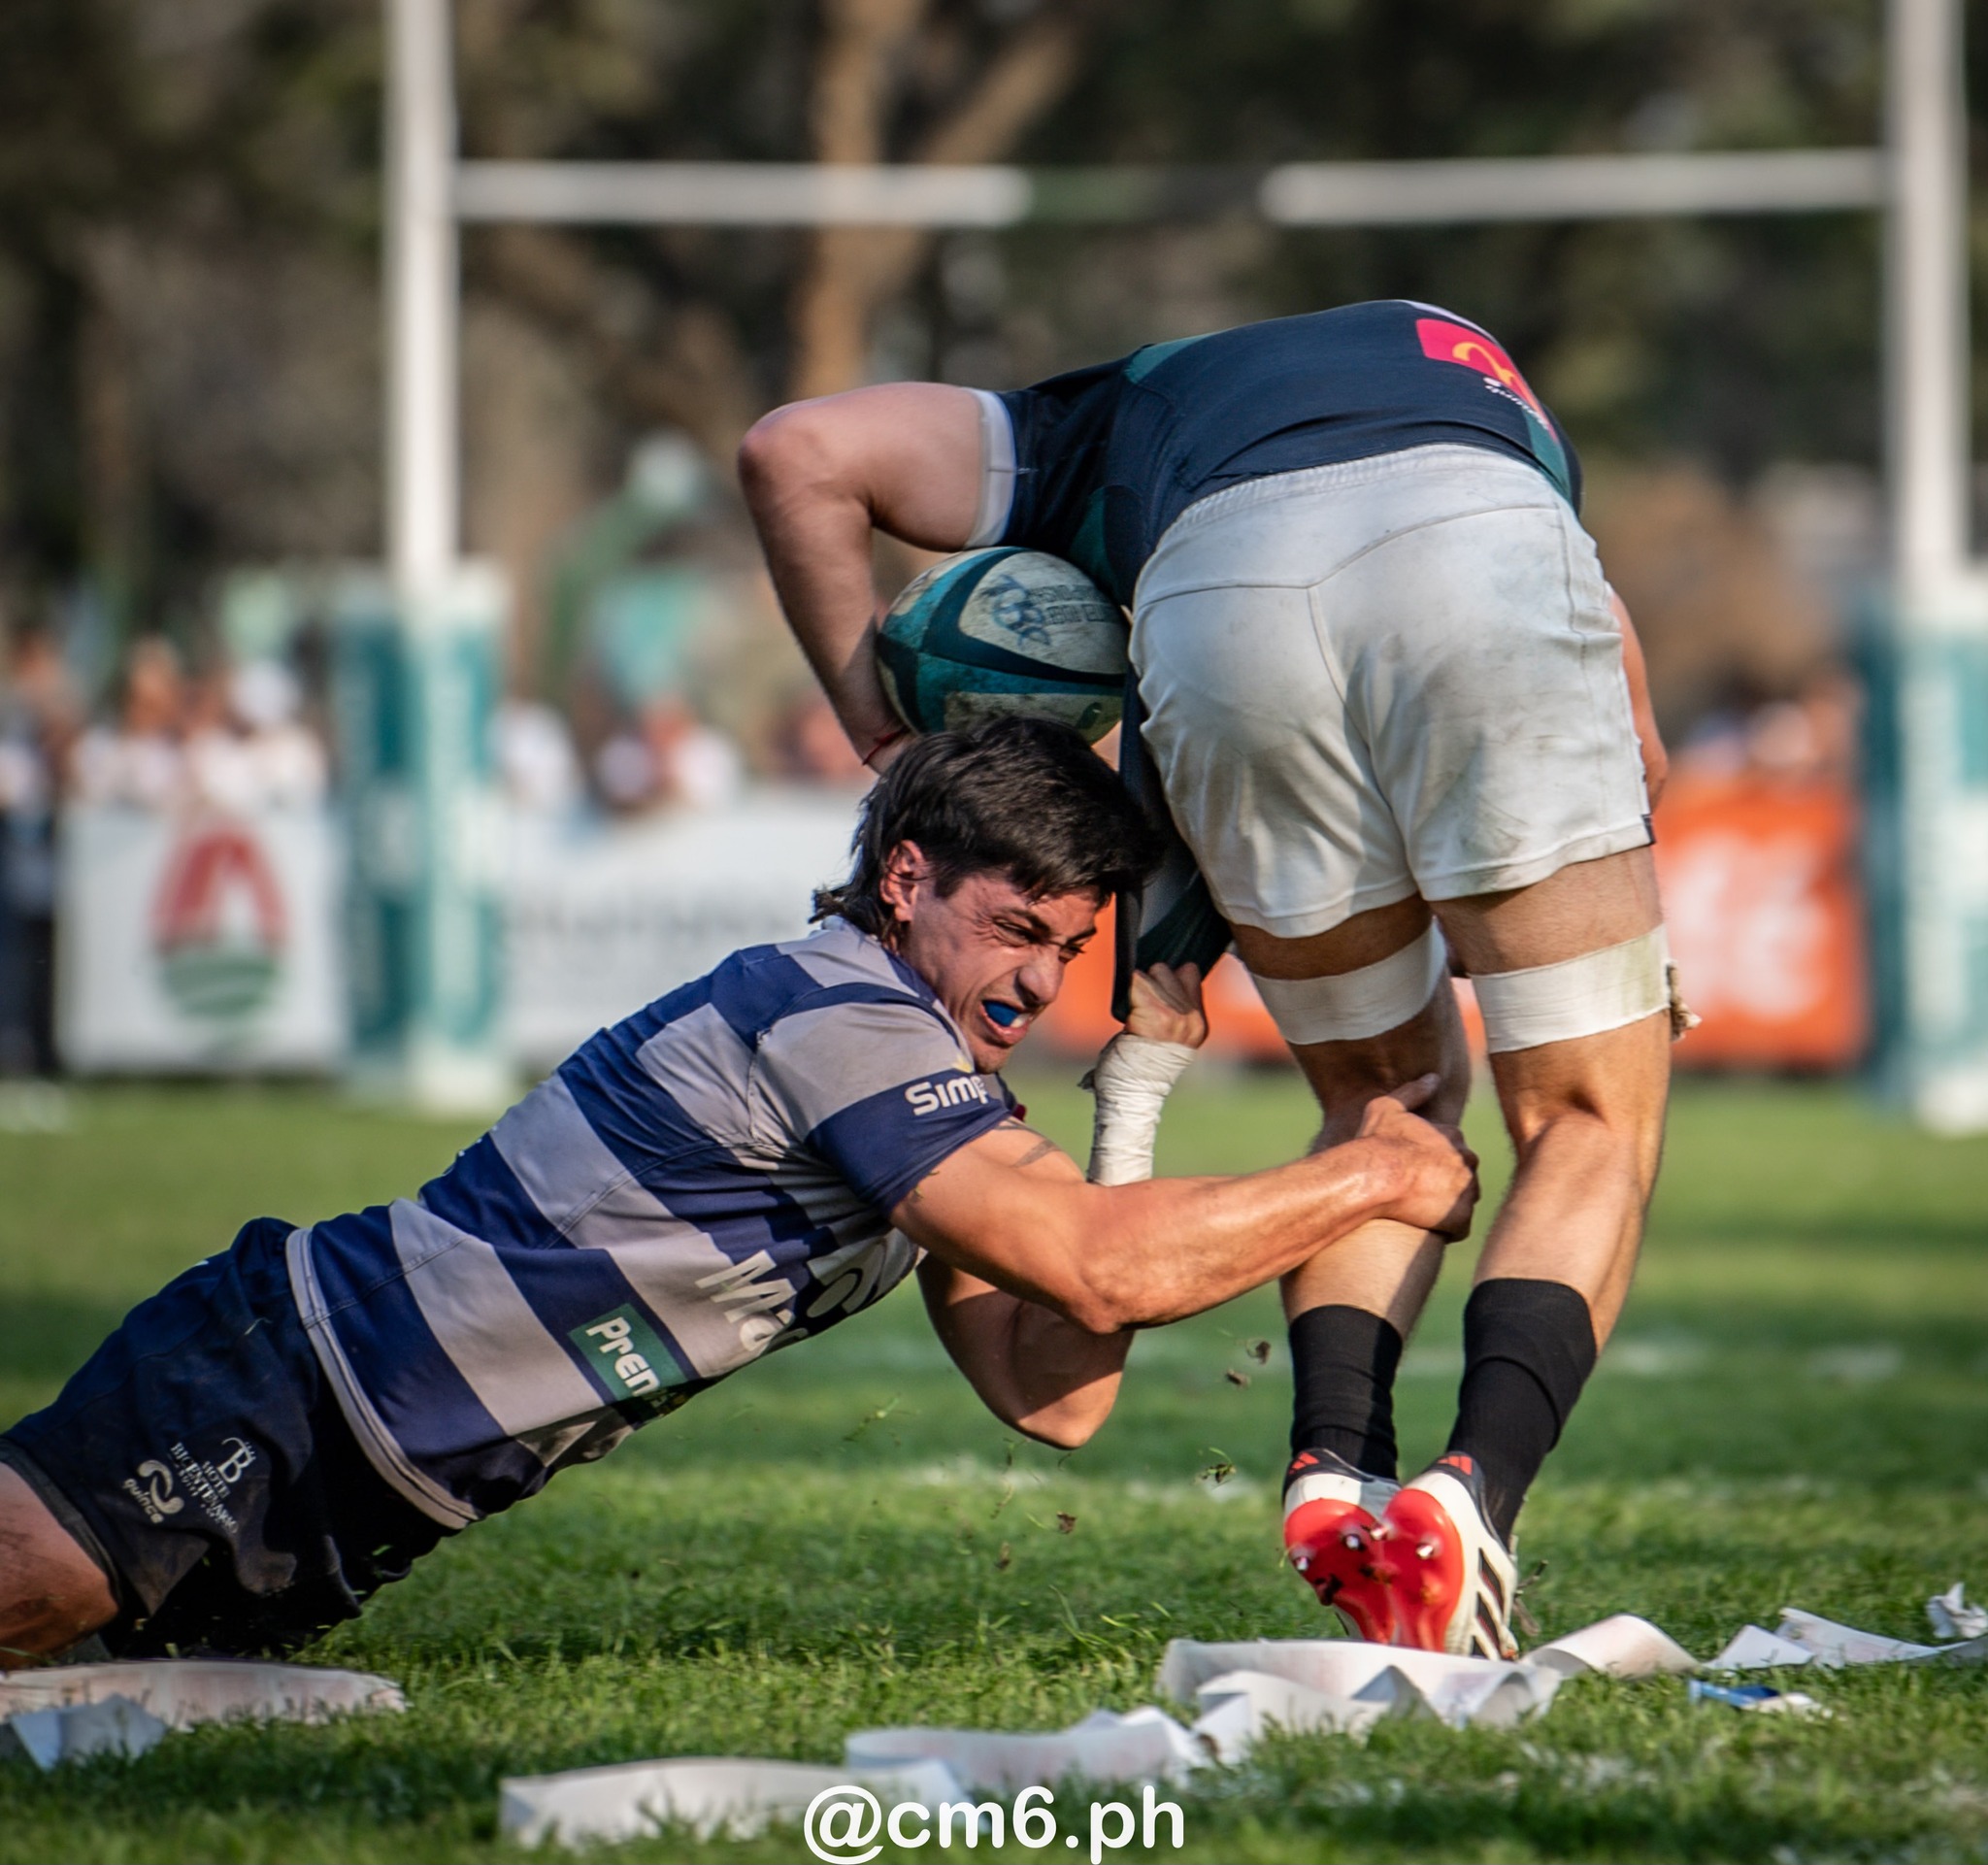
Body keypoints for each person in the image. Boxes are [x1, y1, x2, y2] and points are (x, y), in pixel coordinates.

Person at [0, 716, 1476, 1661]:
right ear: (904, 881)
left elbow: (1057, 1387)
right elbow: (1096, 1268)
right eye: (1014, 926)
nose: (1038, 975)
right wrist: (1365, 1172)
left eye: (1068, 946)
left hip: (378, 1496)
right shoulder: (838, 1012)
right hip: (287, 1380)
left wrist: (1137, 1092)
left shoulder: (936, 1083)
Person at [738, 299, 1681, 1659]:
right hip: (1487, 547)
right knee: (1587, 1114)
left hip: (1220, 600)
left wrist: (882, 733)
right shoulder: (1469, 367)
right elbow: (1611, 676)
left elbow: (795, 451)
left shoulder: (1088, 418)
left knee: (1386, 1097)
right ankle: (1467, 1502)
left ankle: (1336, 1469)